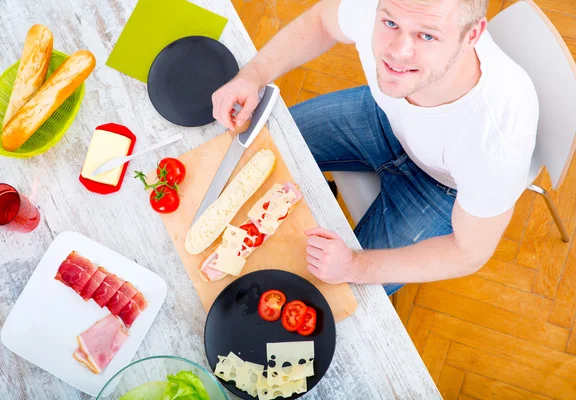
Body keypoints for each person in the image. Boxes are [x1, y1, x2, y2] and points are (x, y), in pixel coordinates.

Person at [211, 0, 539, 295]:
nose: (398, 52)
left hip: (444, 189)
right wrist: (252, 76)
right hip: (384, 116)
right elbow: (322, 21)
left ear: (472, 35)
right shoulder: (381, 7)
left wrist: (355, 265)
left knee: (321, 295)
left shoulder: (496, 136)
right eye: (390, 24)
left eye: (427, 36)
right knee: (244, 153)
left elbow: (468, 253)